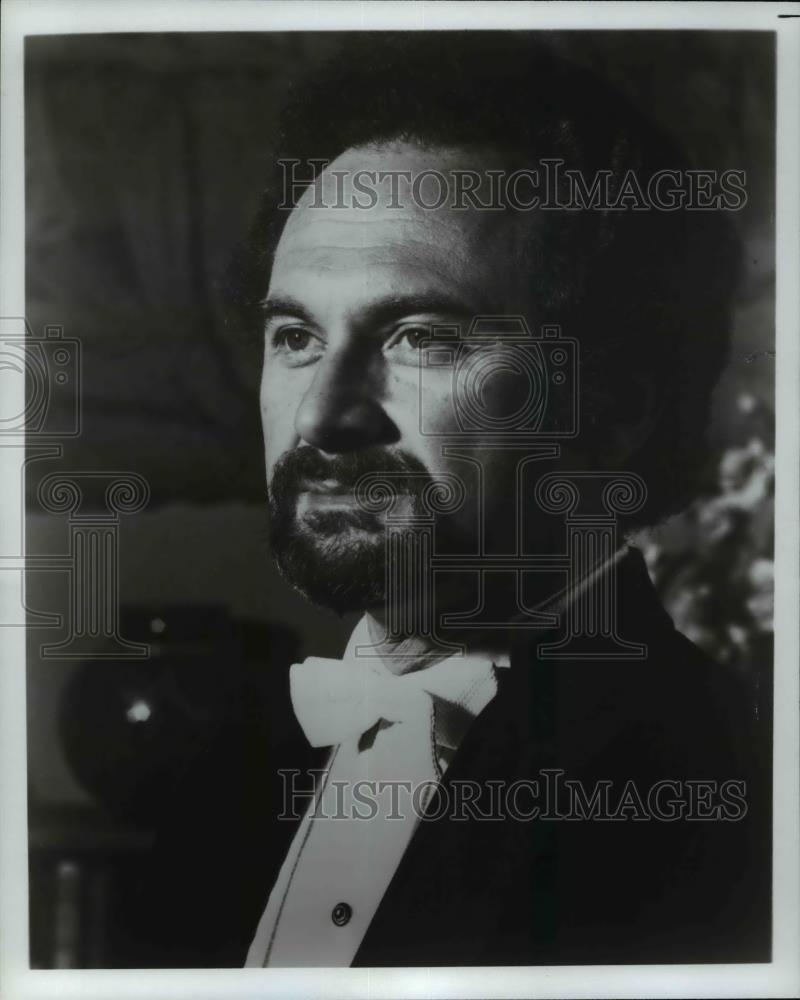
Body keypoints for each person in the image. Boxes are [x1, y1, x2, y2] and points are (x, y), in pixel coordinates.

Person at [134, 33, 770, 967]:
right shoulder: (226, 776)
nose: (323, 413)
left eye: (421, 336)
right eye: (296, 336)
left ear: (619, 407)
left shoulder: (723, 792)